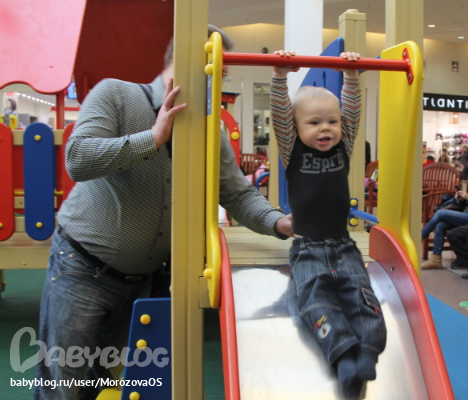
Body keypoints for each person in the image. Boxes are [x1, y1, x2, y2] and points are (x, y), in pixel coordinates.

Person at [34, 27, 293, 400]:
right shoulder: (117, 95)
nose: (218, 82)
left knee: (103, 378)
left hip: (139, 281)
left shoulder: (211, 129)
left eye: (221, 74)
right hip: (83, 267)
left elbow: (236, 194)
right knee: (63, 383)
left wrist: (278, 222)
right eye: (213, 70)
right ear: (183, 61)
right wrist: (153, 137)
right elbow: (77, 158)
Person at [270, 50, 386, 387]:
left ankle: (367, 351)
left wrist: (351, 77)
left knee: (361, 295)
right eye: (314, 122)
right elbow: (280, 115)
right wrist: (279, 76)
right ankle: (342, 353)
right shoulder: (293, 151)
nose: (326, 128)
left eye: (332, 122)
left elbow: (352, 114)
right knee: (315, 301)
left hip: (343, 246)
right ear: (296, 128)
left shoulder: (343, 149)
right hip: (306, 248)